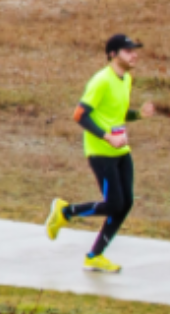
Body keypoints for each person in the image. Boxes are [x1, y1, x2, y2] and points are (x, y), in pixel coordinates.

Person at [46, 35, 158, 273]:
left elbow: (117, 112)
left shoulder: (126, 78)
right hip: (100, 152)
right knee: (114, 203)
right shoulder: (101, 81)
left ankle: (94, 256)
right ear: (112, 55)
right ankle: (65, 212)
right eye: (128, 51)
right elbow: (80, 115)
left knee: (125, 204)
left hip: (121, 152)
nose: (134, 54)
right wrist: (107, 137)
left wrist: (139, 115)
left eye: (134, 50)